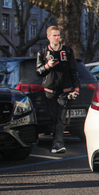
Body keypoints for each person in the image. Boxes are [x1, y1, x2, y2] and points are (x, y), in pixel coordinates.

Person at [36, 26, 80, 154]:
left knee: (61, 117)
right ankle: (56, 142)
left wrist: (76, 88)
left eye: (58, 35)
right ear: (48, 37)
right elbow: (38, 71)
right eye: (54, 35)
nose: (57, 38)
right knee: (53, 118)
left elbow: (74, 71)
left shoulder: (68, 51)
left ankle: (58, 143)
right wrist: (47, 66)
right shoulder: (42, 52)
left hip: (65, 91)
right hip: (49, 91)